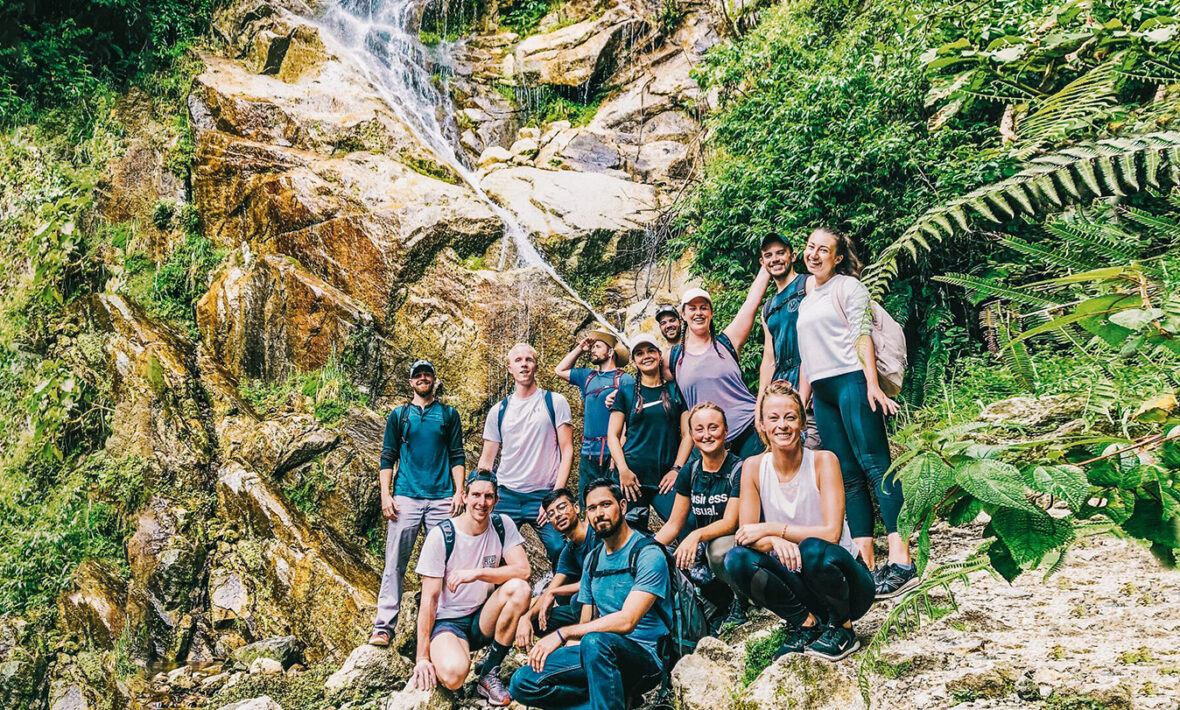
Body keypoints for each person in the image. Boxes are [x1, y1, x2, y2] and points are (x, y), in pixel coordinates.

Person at [796, 227, 915, 597]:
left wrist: (872, 384)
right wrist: (802, 400)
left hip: (851, 380)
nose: (814, 255)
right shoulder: (807, 296)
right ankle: (865, 562)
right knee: (846, 475)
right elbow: (806, 355)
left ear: (837, 258)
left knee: (876, 465)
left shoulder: (849, 287)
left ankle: (902, 560)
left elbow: (861, 334)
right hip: (823, 390)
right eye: (810, 247)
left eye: (823, 250)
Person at [724, 381, 874, 661]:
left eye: (790, 417)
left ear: (803, 423)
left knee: (812, 548)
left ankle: (843, 628)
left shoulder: (823, 461)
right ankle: (806, 624)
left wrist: (772, 530)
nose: (782, 425)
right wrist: (775, 542)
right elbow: (746, 535)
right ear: (763, 426)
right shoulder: (753, 468)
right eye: (774, 418)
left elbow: (831, 533)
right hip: (801, 580)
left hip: (846, 582)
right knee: (737, 559)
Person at [509, 479, 670, 710]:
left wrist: (563, 634)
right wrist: (565, 639)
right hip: (598, 652)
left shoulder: (647, 553)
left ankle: (611, 698)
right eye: (593, 508)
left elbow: (627, 620)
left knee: (595, 642)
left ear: (622, 506)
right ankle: (610, 700)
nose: (599, 513)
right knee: (522, 681)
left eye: (606, 504)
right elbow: (586, 622)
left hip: (644, 657)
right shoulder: (592, 560)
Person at [411, 471, 532, 706]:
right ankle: (449, 655)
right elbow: (429, 600)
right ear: (464, 496)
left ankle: (489, 672)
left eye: (488, 496)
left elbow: (523, 571)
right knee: (455, 676)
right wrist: (422, 657)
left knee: (520, 589)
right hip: (448, 622)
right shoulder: (442, 536)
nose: (482, 502)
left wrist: (476, 573)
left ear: (496, 500)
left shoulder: (502, 525)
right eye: (476, 495)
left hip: (482, 617)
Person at [370, 359, 466, 647]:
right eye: (418, 376)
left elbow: (457, 455)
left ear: (434, 380)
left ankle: (447, 625)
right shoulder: (399, 416)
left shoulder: (448, 415)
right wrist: (386, 495)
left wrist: (459, 492)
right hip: (406, 497)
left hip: (441, 498)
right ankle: (384, 626)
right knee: (394, 563)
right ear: (411, 382)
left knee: (446, 564)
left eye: (427, 375)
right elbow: (388, 457)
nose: (423, 379)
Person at [654, 402, 749, 631]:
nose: (706, 435)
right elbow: (674, 525)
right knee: (664, 556)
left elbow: (730, 522)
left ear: (726, 431)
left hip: (734, 545)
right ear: (692, 435)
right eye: (699, 429)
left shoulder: (740, 469)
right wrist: (644, 551)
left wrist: (695, 535)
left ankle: (741, 600)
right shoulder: (691, 470)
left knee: (717, 550)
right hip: (704, 548)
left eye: (713, 427)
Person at [478, 343, 574, 566]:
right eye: (518, 360)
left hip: (544, 494)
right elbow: (486, 460)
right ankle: (497, 599)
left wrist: (555, 496)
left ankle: (562, 598)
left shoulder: (555, 402)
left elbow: (567, 450)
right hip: (506, 494)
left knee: (559, 548)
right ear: (509, 368)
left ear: (536, 365)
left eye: (528, 359)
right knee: (493, 552)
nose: (524, 364)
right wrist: (480, 494)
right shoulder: (498, 411)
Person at [666, 267, 771, 461]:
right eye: (692, 308)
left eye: (703, 307)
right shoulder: (673, 358)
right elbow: (647, 377)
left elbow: (752, 302)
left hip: (749, 430)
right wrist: (617, 391)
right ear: (683, 314)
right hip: (709, 442)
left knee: (759, 488)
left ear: (711, 313)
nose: (698, 313)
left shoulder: (727, 342)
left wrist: (765, 266)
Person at [606, 333, 692, 531]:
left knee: (686, 523)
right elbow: (613, 434)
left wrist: (677, 469)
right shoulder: (626, 391)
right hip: (632, 478)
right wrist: (623, 470)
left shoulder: (674, 389)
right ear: (634, 360)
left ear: (659, 354)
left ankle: (687, 562)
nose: (646, 356)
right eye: (639, 353)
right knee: (631, 532)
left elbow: (688, 434)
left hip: (665, 478)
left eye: (650, 351)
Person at [756, 233, 818, 449]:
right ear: (762, 262)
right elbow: (768, 361)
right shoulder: (767, 308)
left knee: (812, 447)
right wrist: (760, 407)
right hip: (782, 386)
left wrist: (806, 392)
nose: (775, 259)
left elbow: (819, 340)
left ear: (792, 256)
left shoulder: (808, 284)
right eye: (768, 255)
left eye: (780, 253)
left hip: (811, 380)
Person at [556, 329, 635, 498]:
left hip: (613, 453)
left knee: (615, 502)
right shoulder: (588, 377)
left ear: (611, 352)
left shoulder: (625, 379)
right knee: (588, 501)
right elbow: (559, 370)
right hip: (588, 453)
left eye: (598, 346)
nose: (593, 350)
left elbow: (631, 421)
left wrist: (618, 454)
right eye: (593, 347)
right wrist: (579, 348)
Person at [515, 489, 598, 646]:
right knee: (538, 621)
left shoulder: (597, 535)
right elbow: (550, 589)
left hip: (606, 605)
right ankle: (569, 637)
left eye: (561, 507)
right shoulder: (568, 552)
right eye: (551, 514)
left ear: (576, 508)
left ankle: (576, 639)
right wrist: (525, 617)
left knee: (576, 600)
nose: (557, 515)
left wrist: (554, 592)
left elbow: (597, 582)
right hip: (584, 608)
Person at [655, 303, 683, 373]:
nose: (668, 326)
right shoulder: (660, 356)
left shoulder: (692, 344)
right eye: (663, 323)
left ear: (680, 322)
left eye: (672, 320)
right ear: (660, 327)